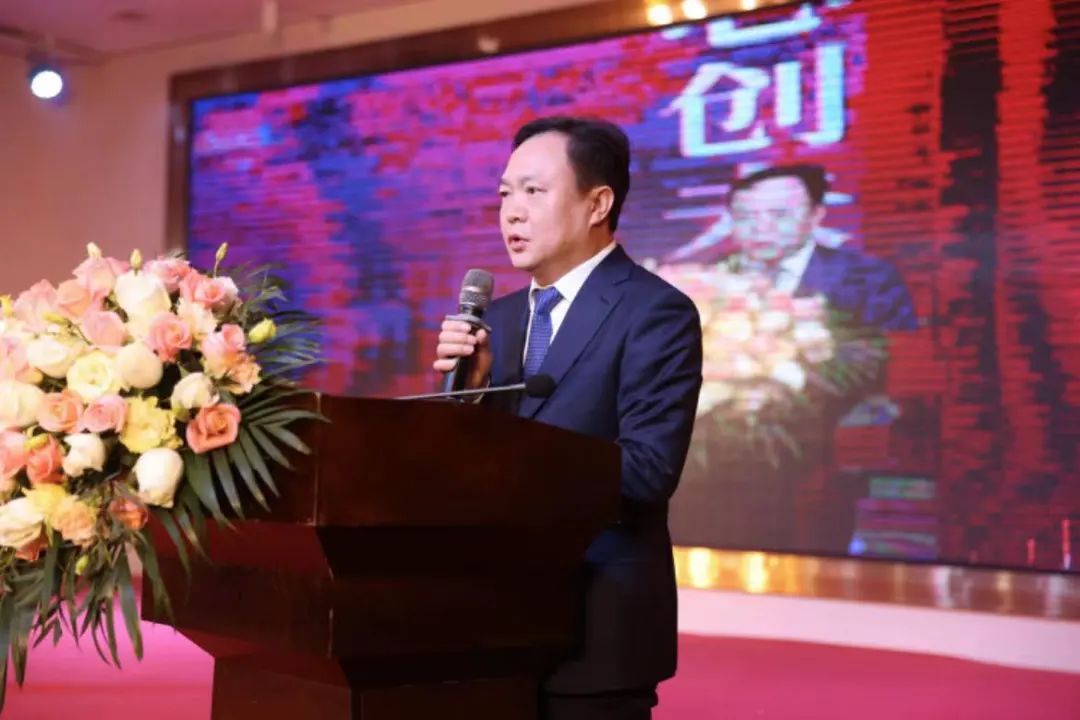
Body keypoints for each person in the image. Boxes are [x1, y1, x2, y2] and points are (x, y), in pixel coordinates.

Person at [433, 116, 703, 720]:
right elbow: (456, 478)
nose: (512, 212)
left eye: (534, 191)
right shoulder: (495, 322)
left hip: (596, 630)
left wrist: (511, 450)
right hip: (488, 631)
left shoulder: (655, 311)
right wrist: (470, 401)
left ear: (597, 204)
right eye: (505, 194)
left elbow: (647, 471)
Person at [671, 164, 918, 553]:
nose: (761, 228)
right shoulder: (703, 281)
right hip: (704, 457)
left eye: (779, 215)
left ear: (816, 216)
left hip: (818, 449)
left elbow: (880, 363)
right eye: (746, 217)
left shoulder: (868, 278)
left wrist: (779, 380)